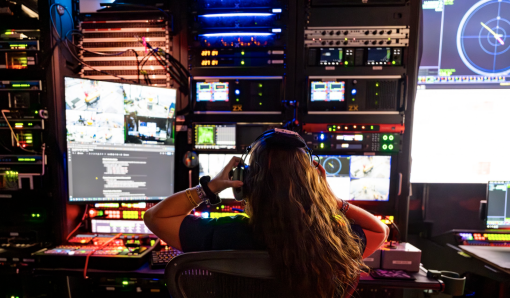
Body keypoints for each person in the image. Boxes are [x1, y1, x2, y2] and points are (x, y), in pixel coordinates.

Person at [144, 129, 389, 298]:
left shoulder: (223, 234)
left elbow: (155, 217)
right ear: (313, 185)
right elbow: (380, 231)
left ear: (245, 183)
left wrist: (209, 187)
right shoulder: (333, 241)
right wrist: (332, 199)